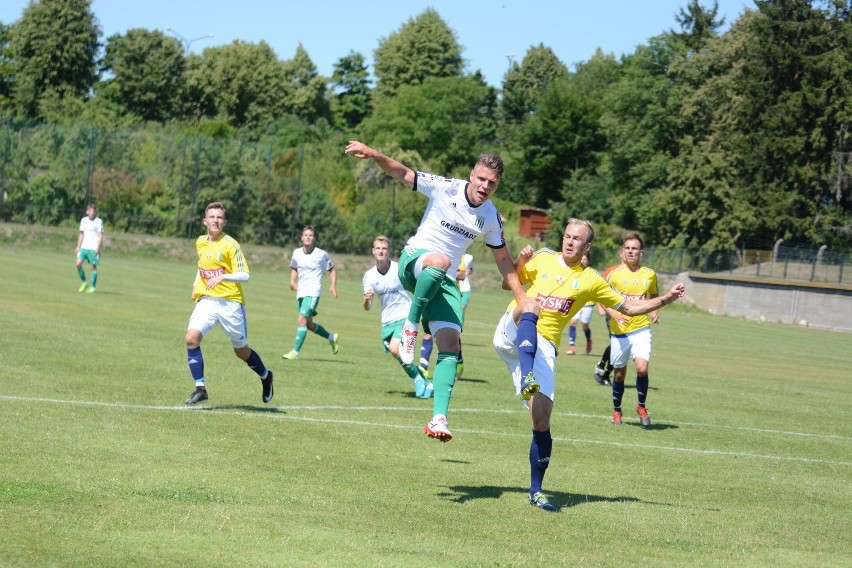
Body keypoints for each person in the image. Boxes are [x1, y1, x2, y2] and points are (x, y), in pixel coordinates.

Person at [492, 219, 685, 511]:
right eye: (567, 236)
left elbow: (630, 308)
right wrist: (521, 259)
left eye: (576, 239)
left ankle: (536, 491)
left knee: (541, 420)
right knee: (531, 305)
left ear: (587, 246)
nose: (569, 241)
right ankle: (528, 374)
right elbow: (507, 282)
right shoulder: (543, 257)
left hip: (543, 345)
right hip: (513, 329)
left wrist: (665, 299)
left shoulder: (592, 279)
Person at [345, 140, 526, 443]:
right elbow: (402, 173)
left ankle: (438, 418)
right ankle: (411, 325)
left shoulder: (491, 218)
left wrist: (522, 298)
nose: (484, 186)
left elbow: (504, 260)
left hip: (441, 282)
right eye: (481, 179)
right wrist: (376, 155)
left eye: (491, 183)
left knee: (450, 345)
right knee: (441, 260)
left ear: (497, 186)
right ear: (472, 174)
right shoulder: (446, 188)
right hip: (414, 261)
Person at [184, 201, 274, 405]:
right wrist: (195, 284)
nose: (215, 220)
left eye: (219, 217)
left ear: (224, 222)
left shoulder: (231, 245)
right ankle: (200, 388)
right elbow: (202, 268)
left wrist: (223, 278)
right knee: (191, 338)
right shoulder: (200, 242)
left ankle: (266, 375)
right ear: (205, 221)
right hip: (207, 300)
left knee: (241, 351)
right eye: (212, 217)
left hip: (230, 304)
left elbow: (245, 275)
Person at [602, 232, 662, 427]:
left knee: (642, 368)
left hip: (641, 328)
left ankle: (641, 406)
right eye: (627, 248)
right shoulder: (614, 274)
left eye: (634, 248)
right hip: (619, 330)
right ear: (623, 251)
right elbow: (603, 299)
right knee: (619, 374)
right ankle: (617, 410)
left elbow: (654, 294)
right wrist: (616, 314)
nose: (630, 251)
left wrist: (654, 311)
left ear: (641, 252)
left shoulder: (649, 274)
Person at [363, 235, 433, 399]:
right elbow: (368, 307)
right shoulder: (369, 276)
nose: (381, 251)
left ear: (389, 251)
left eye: (384, 248)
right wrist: (367, 300)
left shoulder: (399, 269)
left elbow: (416, 285)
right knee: (397, 353)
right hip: (387, 321)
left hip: (405, 315)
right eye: (378, 248)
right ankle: (425, 382)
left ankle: (417, 379)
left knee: (396, 348)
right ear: (373, 251)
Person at [282, 225, 339, 359]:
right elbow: (294, 268)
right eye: (306, 235)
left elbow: (332, 270)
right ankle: (331, 337)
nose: (308, 237)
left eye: (311, 235)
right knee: (309, 325)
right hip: (301, 293)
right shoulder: (296, 253)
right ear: (302, 238)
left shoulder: (321, 254)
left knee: (301, 319)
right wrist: (292, 281)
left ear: (314, 239)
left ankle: (294, 353)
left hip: (313, 293)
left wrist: (333, 285)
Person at [565, 253, 593, 355]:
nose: (583, 261)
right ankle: (572, 347)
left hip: (588, 304)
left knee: (585, 326)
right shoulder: (574, 272)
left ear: (588, 261)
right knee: (572, 322)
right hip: (575, 303)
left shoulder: (591, 274)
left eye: (585, 259)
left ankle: (589, 340)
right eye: (582, 259)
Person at [75, 203, 103, 294]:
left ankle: (93, 287)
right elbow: (81, 234)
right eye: (90, 211)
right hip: (84, 247)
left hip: (93, 248)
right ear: (87, 212)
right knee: (78, 264)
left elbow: (100, 236)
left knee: (93, 267)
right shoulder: (84, 220)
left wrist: (97, 248)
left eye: (93, 211)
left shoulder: (98, 221)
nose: (92, 212)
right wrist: (78, 246)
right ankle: (84, 282)